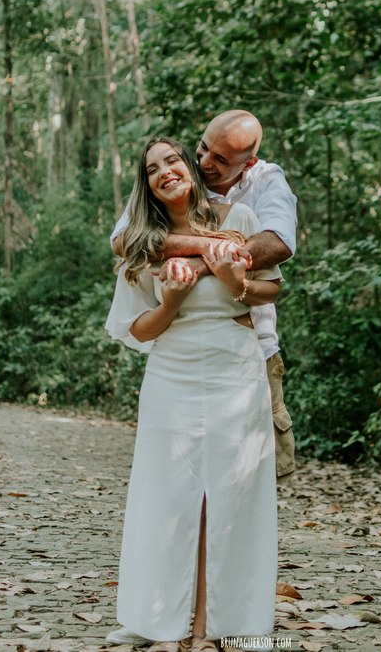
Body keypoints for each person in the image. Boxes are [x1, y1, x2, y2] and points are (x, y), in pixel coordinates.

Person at [105, 138, 282, 649]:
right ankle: (159, 623)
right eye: (152, 168)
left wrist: (236, 281)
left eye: (173, 160)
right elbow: (137, 328)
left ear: (190, 166)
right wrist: (173, 301)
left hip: (235, 369)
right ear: (147, 184)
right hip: (172, 374)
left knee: (229, 499)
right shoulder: (143, 240)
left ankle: (213, 628)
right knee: (168, 498)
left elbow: (274, 287)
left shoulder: (240, 217)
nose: (165, 171)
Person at [111, 110, 298, 481]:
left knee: (251, 475)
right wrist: (209, 245)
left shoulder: (264, 184)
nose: (205, 162)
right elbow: (125, 241)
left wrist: (198, 266)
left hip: (252, 346)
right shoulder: (175, 172)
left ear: (249, 163)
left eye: (221, 159)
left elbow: (277, 243)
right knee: (184, 476)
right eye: (202, 148)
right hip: (180, 358)